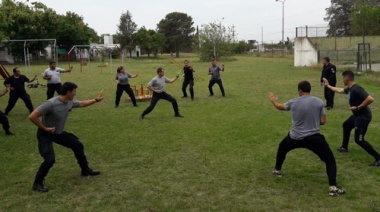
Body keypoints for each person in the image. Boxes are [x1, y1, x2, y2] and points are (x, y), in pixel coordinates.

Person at [268, 81, 345, 196]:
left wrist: (274, 100)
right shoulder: (319, 102)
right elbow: (323, 121)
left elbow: (280, 107)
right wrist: (312, 120)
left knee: (282, 148)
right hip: (314, 138)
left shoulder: (293, 102)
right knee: (329, 160)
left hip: (295, 137)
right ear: (309, 90)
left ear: (299, 90)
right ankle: (333, 188)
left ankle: (277, 170)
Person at [28, 82, 104, 192]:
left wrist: (96, 100)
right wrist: (44, 128)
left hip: (58, 133)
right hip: (45, 134)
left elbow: (82, 103)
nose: (75, 93)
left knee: (77, 145)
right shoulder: (51, 103)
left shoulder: (69, 101)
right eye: (74, 91)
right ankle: (37, 183)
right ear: (68, 92)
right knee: (49, 160)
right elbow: (32, 116)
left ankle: (85, 170)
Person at [323, 71, 380, 166]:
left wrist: (358, 107)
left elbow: (370, 99)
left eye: (343, 78)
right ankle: (344, 148)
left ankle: (378, 158)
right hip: (357, 116)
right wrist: (328, 85)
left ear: (347, 79)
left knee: (359, 140)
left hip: (363, 117)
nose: (342, 80)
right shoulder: (350, 89)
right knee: (346, 125)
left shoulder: (357, 89)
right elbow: (340, 90)